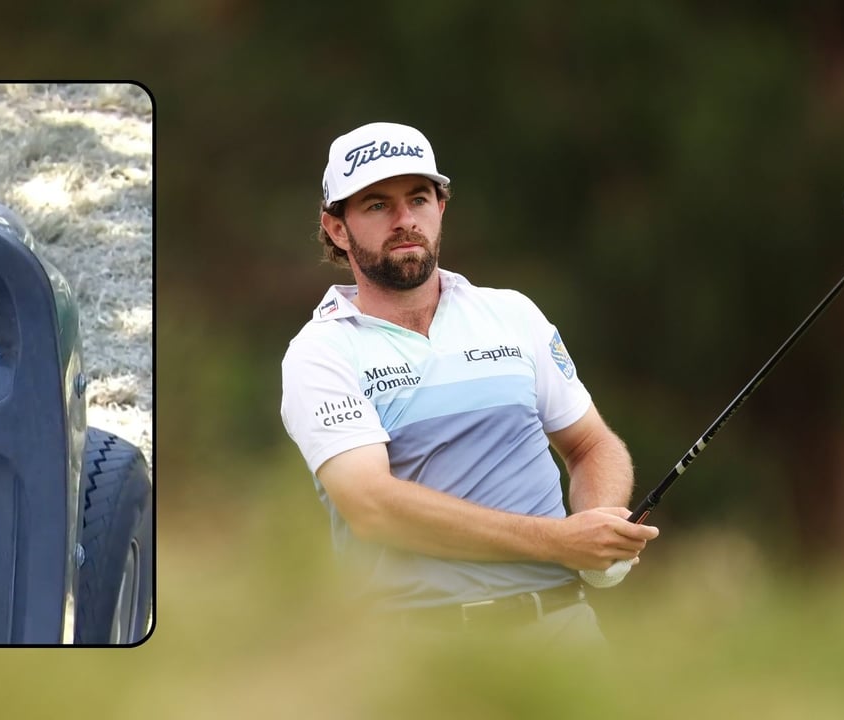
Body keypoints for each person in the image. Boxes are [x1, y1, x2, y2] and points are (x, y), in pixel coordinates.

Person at [279, 121, 660, 642]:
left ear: (441, 208)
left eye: (419, 198)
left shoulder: (513, 314)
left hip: (563, 631)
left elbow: (592, 444)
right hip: (416, 650)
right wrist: (559, 541)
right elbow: (372, 507)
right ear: (337, 228)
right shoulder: (319, 353)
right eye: (376, 205)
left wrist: (599, 524)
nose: (404, 219)